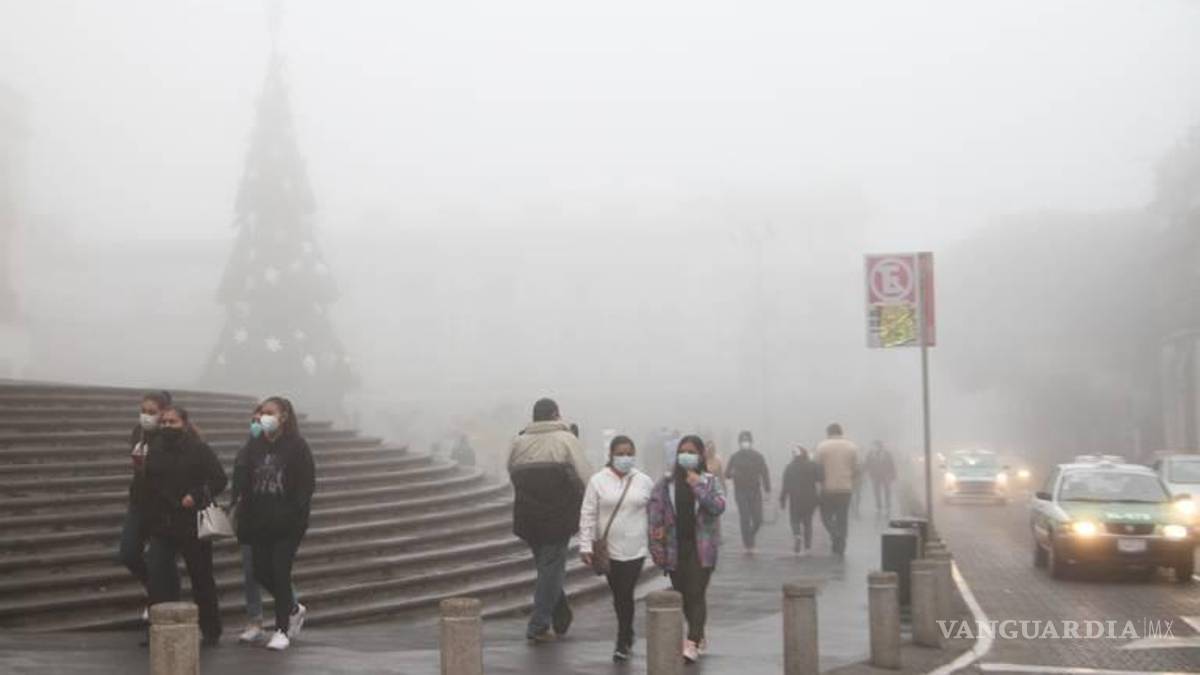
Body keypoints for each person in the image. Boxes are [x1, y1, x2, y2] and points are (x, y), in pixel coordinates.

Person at [234, 396, 316, 651]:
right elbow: (243, 479)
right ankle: (292, 607)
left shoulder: (297, 446)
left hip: (286, 523)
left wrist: (295, 515)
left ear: (283, 416)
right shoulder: (254, 444)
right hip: (259, 521)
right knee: (260, 571)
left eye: (269, 412)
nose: (263, 416)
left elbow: (306, 485)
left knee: (280, 572)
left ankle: (282, 629)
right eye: (261, 412)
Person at [507, 397, 592, 643]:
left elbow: (510, 470)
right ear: (555, 414)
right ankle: (538, 624)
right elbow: (585, 475)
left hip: (527, 516)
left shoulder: (518, 441)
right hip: (558, 515)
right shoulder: (566, 439)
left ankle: (560, 612)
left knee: (547, 568)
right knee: (550, 569)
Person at [143, 405, 227, 646]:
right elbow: (149, 483)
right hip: (163, 522)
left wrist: (196, 495)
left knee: (201, 577)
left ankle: (210, 629)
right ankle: (159, 629)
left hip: (191, 521)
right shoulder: (155, 448)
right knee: (158, 577)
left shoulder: (199, 449)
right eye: (164, 422)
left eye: (173, 422)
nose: (167, 426)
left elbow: (219, 479)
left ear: (185, 424)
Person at [648, 435, 725, 663]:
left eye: (692, 452)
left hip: (702, 548)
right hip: (675, 548)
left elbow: (718, 506)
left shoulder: (709, 481)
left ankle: (691, 641)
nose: (686, 456)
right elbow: (655, 515)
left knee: (696, 593)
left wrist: (698, 486)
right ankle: (698, 633)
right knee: (684, 595)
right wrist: (656, 544)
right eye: (683, 451)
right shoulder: (666, 483)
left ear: (700, 455)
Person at [578, 435, 654, 663]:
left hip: (636, 548)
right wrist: (585, 545)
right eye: (620, 454)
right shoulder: (597, 481)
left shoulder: (644, 481)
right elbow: (588, 513)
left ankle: (622, 640)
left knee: (625, 592)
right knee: (619, 593)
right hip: (608, 550)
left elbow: (656, 512)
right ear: (611, 455)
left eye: (629, 453)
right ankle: (627, 631)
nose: (625, 458)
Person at [119, 390, 172, 621]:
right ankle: (156, 592)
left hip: (162, 506)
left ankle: (159, 601)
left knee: (160, 560)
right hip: (139, 502)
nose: (146, 416)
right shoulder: (138, 432)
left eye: (152, 412)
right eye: (143, 411)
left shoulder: (169, 435)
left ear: (163, 413)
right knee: (128, 553)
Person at [814, 423, 859, 557]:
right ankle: (841, 543)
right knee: (842, 518)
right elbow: (856, 468)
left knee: (826, 516)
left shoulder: (822, 446)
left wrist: (818, 483)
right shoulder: (852, 447)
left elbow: (817, 467)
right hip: (845, 489)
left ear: (828, 433)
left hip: (827, 488)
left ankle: (835, 534)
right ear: (841, 432)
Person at [723, 430, 770, 553]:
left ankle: (750, 536)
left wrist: (767, 489)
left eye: (747, 440)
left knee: (758, 519)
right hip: (740, 491)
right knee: (745, 518)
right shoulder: (735, 457)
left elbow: (764, 472)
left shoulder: (758, 456)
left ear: (751, 442)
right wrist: (731, 473)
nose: (745, 443)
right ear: (739, 443)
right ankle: (748, 544)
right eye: (743, 441)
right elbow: (727, 474)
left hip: (755, 491)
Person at [779, 446, 822, 555]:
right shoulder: (812, 465)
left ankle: (797, 535)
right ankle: (807, 547)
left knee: (794, 520)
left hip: (795, 498)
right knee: (808, 522)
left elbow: (785, 485)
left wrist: (783, 499)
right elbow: (820, 478)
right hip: (810, 498)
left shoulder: (789, 467)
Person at [867, 441, 897, 514]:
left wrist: (893, 475)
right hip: (875, 475)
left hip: (885, 475)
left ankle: (887, 505)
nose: (877, 447)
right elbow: (867, 464)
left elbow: (892, 464)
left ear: (881, 446)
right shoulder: (871, 454)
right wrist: (868, 472)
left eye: (878, 446)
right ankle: (879, 506)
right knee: (876, 491)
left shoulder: (887, 454)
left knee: (887, 490)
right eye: (876, 446)